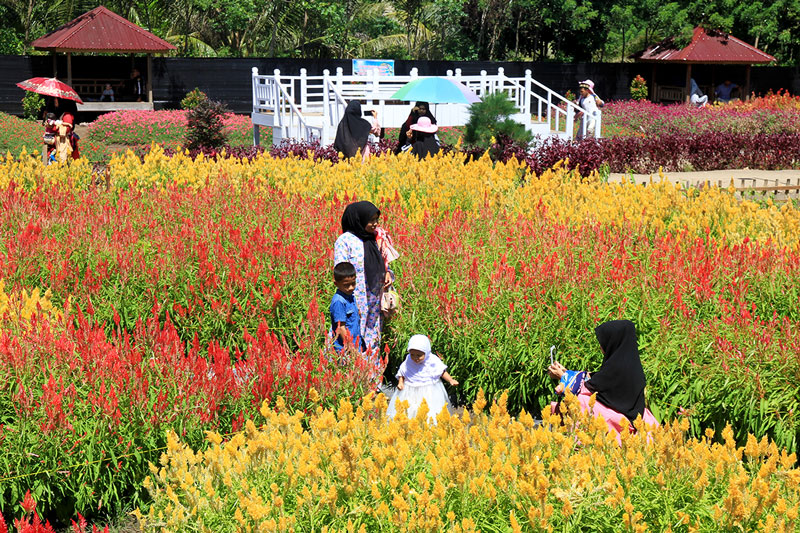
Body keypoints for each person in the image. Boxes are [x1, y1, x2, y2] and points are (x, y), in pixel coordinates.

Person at [547, 320, 659, 441]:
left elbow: (588, 387)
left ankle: (579, 444)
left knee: (579, 401)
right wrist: (566, 373)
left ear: (613, 343)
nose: (601, 346)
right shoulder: (629, 362)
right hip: (633, 417)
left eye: (604, 343)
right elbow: (597, 379)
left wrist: (563, 377)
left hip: (620, 423)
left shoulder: (617, 367)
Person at [333, 201, 394, 361]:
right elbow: (341, 270)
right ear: (358, 220)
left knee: (373, 337)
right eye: (370, 220)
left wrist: (387, 273)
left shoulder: (377, 238)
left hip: (374, 298)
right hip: (354, 298)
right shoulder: (345, 241)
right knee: (352, 335)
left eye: (376, 219)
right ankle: (354, 376)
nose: (375, 224)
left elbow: (384, 261)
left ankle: (372, 379)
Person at [386, 334, 459, 423]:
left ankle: (429, 425)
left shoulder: (432, 360)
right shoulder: (409, 360)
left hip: (429, 390)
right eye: (412, 354)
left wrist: (450, 380)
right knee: (409, 408)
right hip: (410, 389)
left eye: (419, 355)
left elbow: (441, 371)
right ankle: (410, 424)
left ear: (426, 352)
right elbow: (403, 372)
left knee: (430, 409)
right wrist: (400, 382)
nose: (415, 358)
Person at [329, 261, 364, 354]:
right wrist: (350, 346)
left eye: (353, 283)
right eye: (346, 285)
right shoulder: (339, 301)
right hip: (345, 349)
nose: (351, 287)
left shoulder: (350, 296)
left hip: (356, 343)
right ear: (336, 284)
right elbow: (340, 327)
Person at [42, 97, 79, 163]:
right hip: (56, 142)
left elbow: (65, 130)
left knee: (62, 161)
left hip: (63, 142)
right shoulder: (59, 112)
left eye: (56, 99)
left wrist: (52, 127)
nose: (55, 101)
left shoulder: (67, 115)